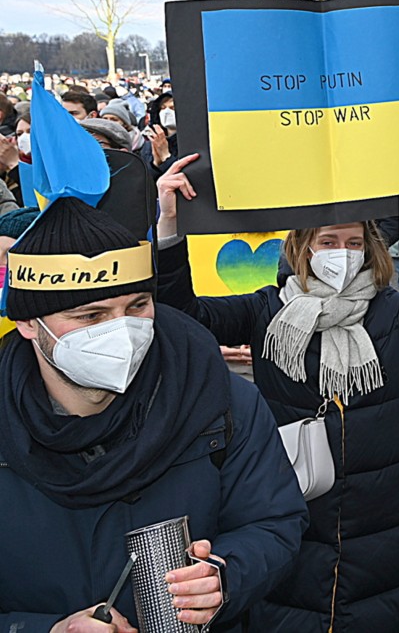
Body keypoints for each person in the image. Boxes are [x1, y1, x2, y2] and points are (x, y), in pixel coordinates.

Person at [0, 196, 308, 631]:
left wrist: (224, 577)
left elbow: (275, 522)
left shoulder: (222, 402)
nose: (121, 330)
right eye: (91, 315)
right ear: (30, 324)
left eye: (137, 306)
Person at [154, 156, 399, 632]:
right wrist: (170, 226)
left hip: (386, 528)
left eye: (353, 242)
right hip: (293, 519)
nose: (341, 253)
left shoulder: (396, 311)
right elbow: (183, 318)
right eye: (328, 241)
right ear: (302, 248)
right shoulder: (267, 308)